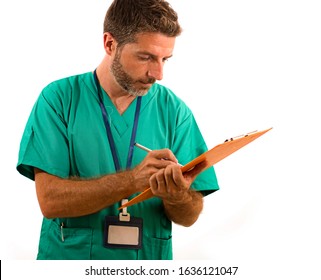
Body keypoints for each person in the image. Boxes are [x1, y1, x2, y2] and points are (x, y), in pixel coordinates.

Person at [16, 0, 219, 260]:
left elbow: (189, 216)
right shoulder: (59, 100)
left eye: (165, 59)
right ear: (110, 44)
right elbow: (50, 201)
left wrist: (177, 194)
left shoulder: (174, 112)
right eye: (146, 57)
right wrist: (134, 180)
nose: (158, 74)